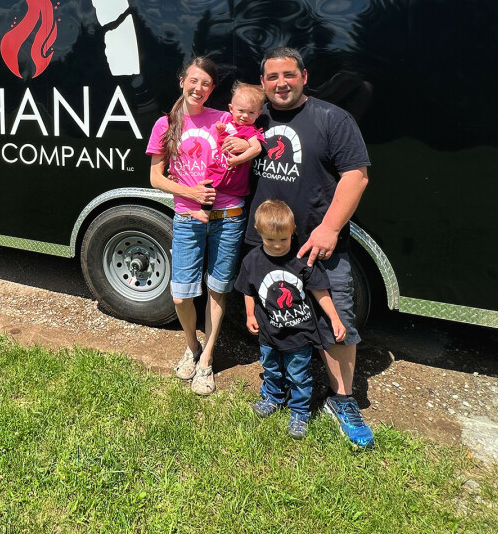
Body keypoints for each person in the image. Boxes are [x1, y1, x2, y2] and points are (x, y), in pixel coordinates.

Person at [244, 46, 374, 449]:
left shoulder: (332, 119)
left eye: (288, 75)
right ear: (263, 83)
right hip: (267, 245)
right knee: (273, 318)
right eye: (271, 77)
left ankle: (342, 400)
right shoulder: (256, 120)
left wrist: (330, 228)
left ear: (303, 75)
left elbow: (357, 176)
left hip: (317, 246)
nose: (280, 83)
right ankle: (277, 389)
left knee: (337, 324)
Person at [146, 57, 253, 396]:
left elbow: (250, 139)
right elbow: (155, 177)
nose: (199, 88)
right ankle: (192, 346)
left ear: (212, 89)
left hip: (228, 217)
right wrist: (188, 192)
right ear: (182, 81)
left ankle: (206, 359)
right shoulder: (166, 125)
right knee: (181, 295)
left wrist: (245, 147)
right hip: (188, 218)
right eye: (194, 80)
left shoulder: (223, 119)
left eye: (206, 83)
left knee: (217, 289)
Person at [236, 200, 346, 440]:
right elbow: (248, 289)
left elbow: (319, 291)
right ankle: (272, 398)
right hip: (268, 333)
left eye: (283, 240)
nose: (277, 246)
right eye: (270, 241)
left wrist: (335, 319)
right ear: (259, 233)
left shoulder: (301, 259)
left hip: (299, 333)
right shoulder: (252, 261)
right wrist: (250, 314)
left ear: (293, 230)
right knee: (271, 368)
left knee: (299, 375)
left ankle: (299, 412)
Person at [193, 82, 267, 223]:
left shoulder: (249, 130)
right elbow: (222, 142)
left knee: (213, 188)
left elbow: (256, 148)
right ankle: (204, 212)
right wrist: (221, 131)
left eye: (251, 112)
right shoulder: (230, 124)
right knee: (208, 186)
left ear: (258, 114)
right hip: (220, 167)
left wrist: (238, 160)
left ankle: (205, 212)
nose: (245, 116)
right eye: (241, 111)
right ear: (231, 109)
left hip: (233, 172)